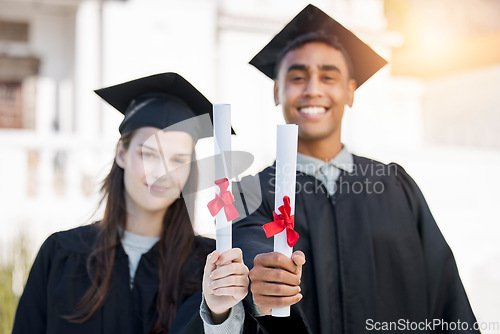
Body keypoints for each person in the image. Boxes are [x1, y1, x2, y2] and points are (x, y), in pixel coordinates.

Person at [233, 5, 479, 334]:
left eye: (329, 76)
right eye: (297, 77)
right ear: (277, 91)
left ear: (350, 91)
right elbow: (249, 254)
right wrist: (259, 283)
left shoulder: (394, 185)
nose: (313, 89)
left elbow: (447, 293)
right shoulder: (251, 192)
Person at [12, 72, 251, 334]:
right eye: (148, 154)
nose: (161, 172)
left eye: (178, 160)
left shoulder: (210, 266)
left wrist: (218, 314)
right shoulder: (61, 254)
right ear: (121, 154)